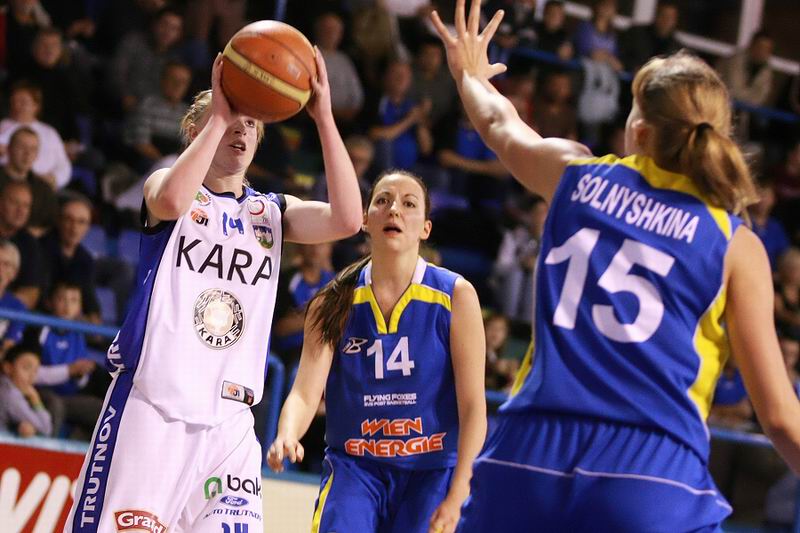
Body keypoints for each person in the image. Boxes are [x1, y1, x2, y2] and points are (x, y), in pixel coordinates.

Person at [431, 1, 800, 530]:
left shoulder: (575, 175)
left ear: (641, 133)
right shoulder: (733, 243)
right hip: (650, 471)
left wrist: (469, 73)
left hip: (529, 449)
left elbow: (498, 122)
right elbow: (781, 417)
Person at [65, 50, 362, 533]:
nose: (240, 130)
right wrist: (222, 110)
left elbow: (348, 219)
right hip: (154, 405)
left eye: (251, 124)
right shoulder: (167, 186)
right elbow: (170, 200)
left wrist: (324, 117)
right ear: (195, 130)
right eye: (229, 119)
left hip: (230, 422)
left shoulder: (271, 212)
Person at [267, 170, 487, 533]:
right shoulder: (331, 301)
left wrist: (460, 490)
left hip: (431, 471)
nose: (394, 209)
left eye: (408, 203)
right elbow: (305, 393)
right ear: (365, 221)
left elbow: (473, 407)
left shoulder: (455, 295)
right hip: (355, 467)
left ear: (426, 228)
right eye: (382, 201)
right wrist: (287, 434)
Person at [0, 343, 52, 437]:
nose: (31, 376)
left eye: (35, 371)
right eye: (26, 368)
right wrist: (35, 399)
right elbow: (45, 428)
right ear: (8, 368)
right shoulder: (10, 394)